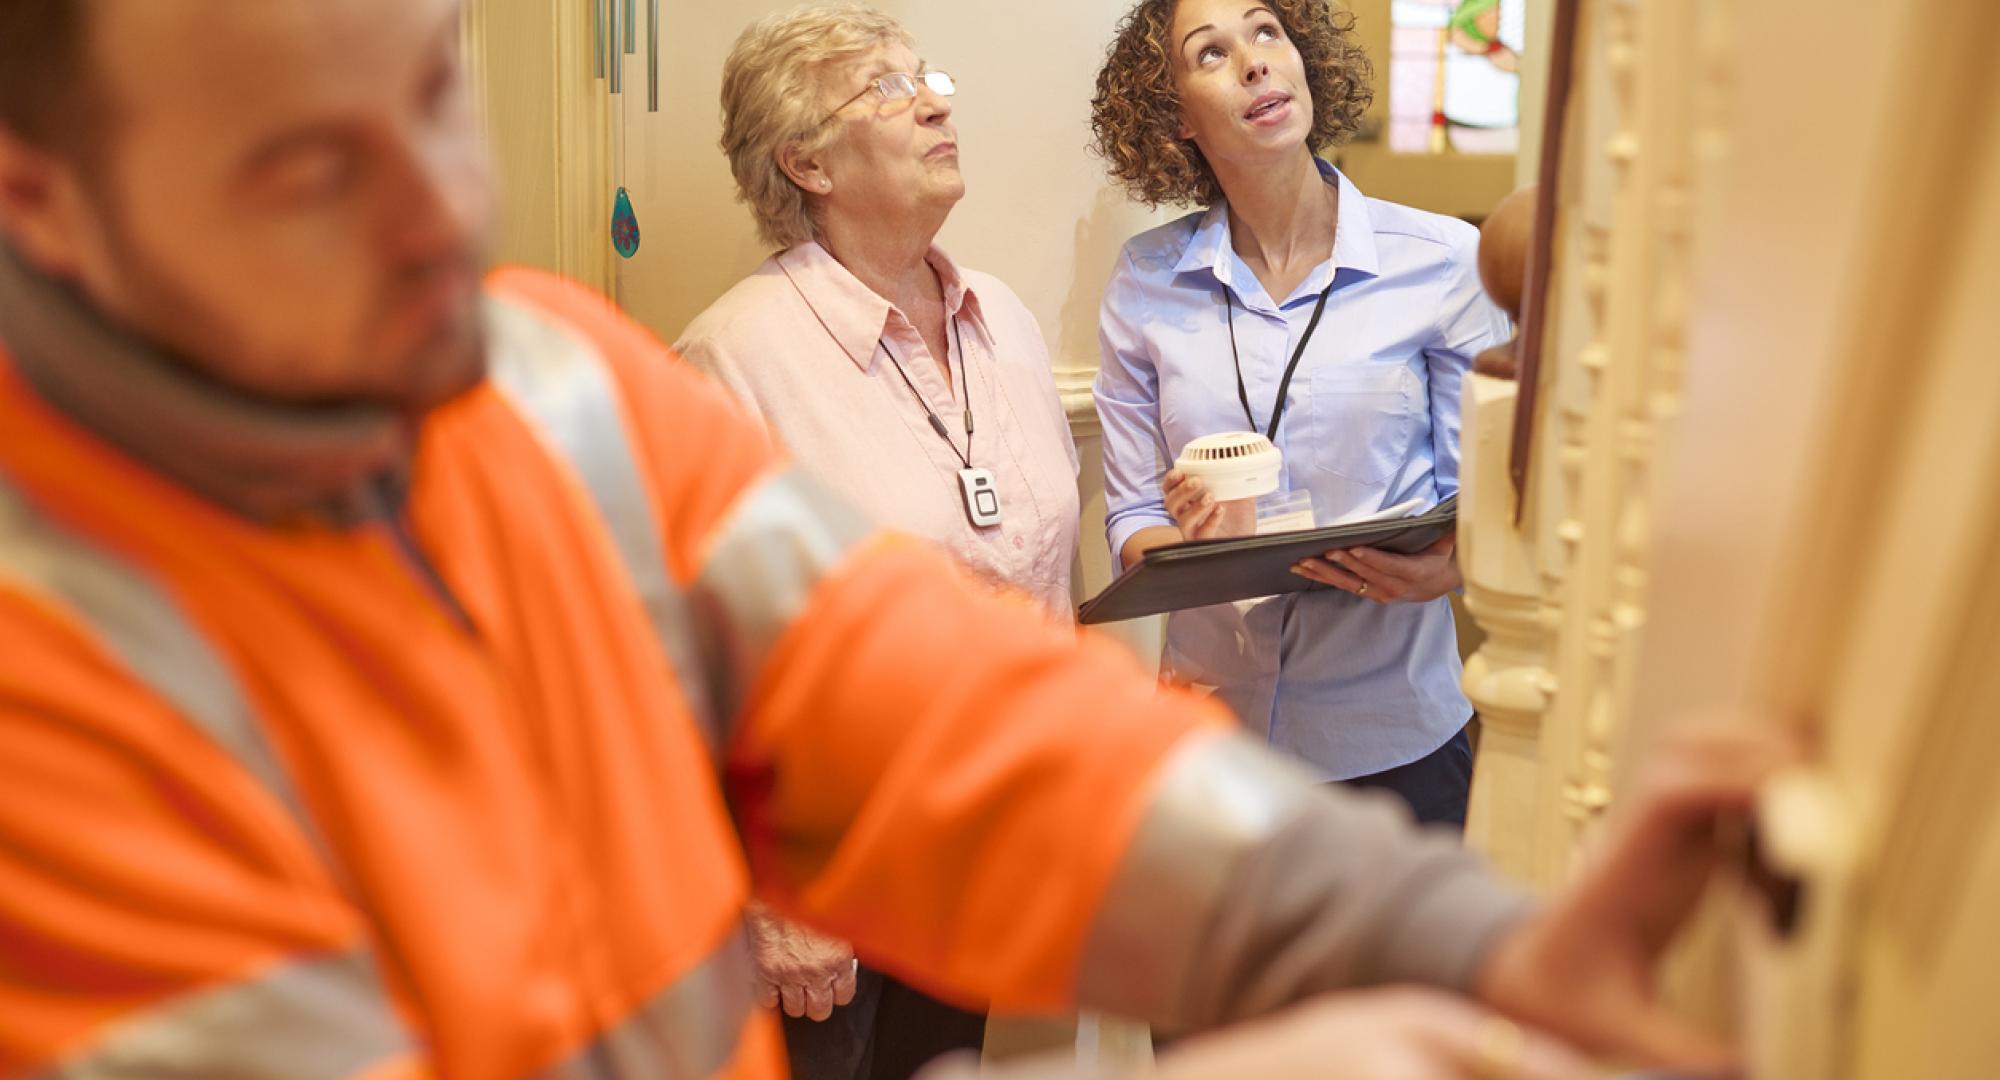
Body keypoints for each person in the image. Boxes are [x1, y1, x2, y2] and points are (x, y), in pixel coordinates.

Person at [0, 2, 1772, 1079]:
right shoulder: (50, 676)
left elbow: (935, 710)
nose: (441, 212)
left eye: (436, 94)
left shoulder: (548, 382)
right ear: (42, 199)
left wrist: (1454, 940)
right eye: (307, 166)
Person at [676, 6, 1081, 1073]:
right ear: (804, 159)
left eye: (929, 78)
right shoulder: (732, 358)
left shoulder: (1003, 321)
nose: (936, 102)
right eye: (890, 90)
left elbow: (1042, 588)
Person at [1089, 0, 1510, 828]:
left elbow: (1486, 502)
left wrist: (1450, 570)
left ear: (1304, 57)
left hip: (1395, 743)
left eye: (1267, 32)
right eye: (1210, 53)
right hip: (1209, 746)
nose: (1254, 62)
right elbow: (1134, 516)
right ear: (1174, 115)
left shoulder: (1443, 263)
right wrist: (1187, 542)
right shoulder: (1145, 280)